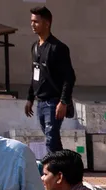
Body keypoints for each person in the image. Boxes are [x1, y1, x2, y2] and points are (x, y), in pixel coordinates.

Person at [23, 5, 75, 154]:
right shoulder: (34, 47)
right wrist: (30, 98)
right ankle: (61, 168)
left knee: (51, 140)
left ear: (47, 23)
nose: (32, 25)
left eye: (36, 22)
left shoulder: (58, 48)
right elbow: (35, 74)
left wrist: (63, 101)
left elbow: (69, 77)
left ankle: (55, 171)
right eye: (31, 21)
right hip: (40, 102)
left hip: (54, 102)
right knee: (51, 139)